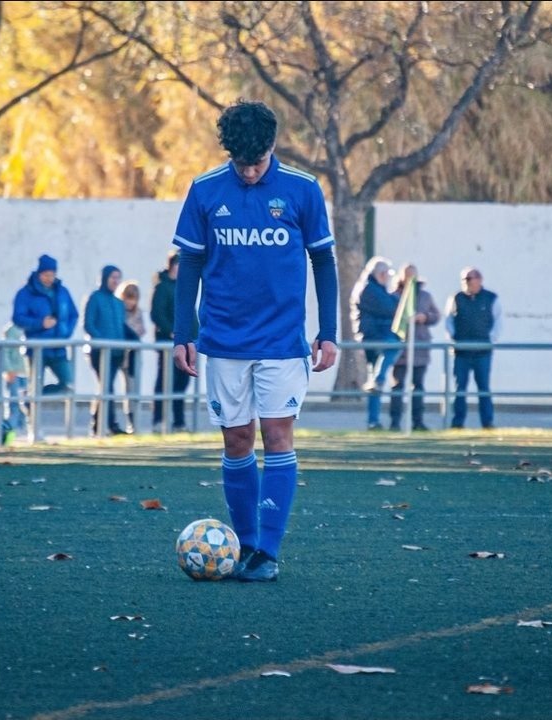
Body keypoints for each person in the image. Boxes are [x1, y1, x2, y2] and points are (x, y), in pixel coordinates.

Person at [172, 100, 338, 582]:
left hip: (283, 342)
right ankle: (242, 544)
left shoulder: (304, 190)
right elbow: (191, 265)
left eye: (257, 163)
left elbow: (323, 262)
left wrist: (328, 331)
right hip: (222, 341)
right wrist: (184, 333)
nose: (248, 173)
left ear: (272, 148)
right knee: (237, 439)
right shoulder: (205, 190)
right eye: (241, 164)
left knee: (278, 436)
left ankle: (267, 551)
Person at [12, 254, 79, 396]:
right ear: (39, 273)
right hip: (36, 349)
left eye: (52, 274)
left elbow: (73, 314)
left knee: (69, 386)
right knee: (35, 387)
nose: (49, 278)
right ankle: (30, 404)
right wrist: (40, 323)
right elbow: (18, 318)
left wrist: (65, 332)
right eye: (46, 274)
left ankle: (31, 397)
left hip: (58, 348)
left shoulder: (62, 292)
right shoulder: (25, 293)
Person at [444, 266, 502, 429]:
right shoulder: (456, 298)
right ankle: (457, 422)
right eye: (465, 279)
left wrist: (489, 339)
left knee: (483, 387)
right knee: (459, 388)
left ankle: (487, 422)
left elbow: (498, 321)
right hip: (461, 352)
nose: (467, 283)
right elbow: (448, 320)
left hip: (482, 352)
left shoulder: (491, 298)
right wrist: (455, 338)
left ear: (479, 280)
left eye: (470, 279)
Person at [349, 256, 402, 430]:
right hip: (374, 336)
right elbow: (390, 308)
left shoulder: (376, 288)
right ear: (380, 273)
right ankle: (379, 379)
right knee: (394, 346)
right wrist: (397, 302)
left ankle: (373, 421)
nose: (389, 277)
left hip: (378, 335)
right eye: (387, 273)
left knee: (375, 385)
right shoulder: (369, 289)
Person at [388, 264, 440, 432]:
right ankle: (395, 422)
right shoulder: (394, 296)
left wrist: (424, 317)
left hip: (420, 347)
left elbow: (436, 315)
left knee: (418, 386)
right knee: (397, 386)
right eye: (406, 275)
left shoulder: (425, 296)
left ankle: (418, 421)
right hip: (400, 348)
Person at [84, 265, 130, 436]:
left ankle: (98, 424)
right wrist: (102, 342)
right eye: (112, 277)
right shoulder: (95, 298)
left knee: (106, 387)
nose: (115, 281)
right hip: (99, 352)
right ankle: (110, 424)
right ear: (104, 278)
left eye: (118, 278)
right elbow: (88, 324)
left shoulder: (118, 303)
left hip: (117, 353)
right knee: (107, 387)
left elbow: (122, 326)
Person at [150, 251, 194, 432]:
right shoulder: (162, 288)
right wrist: (172, 332)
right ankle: (159, 420)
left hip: (186, 343)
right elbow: (158, 314)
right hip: (168, 344)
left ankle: (179, 422)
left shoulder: (185, 287)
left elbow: (191, 315)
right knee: (165, 381)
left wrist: (195, 335)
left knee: (182, 383)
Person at [117, 279, 147, 433]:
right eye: (128, 298)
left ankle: (133, 423)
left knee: (132, 388)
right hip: (120, 353)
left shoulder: (138, 313)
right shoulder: (118, 311)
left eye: (133, 299)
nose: (130, 302)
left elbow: (142, 330)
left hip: (133, 356)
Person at [0, 321, 29, 438]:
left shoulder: (33, 327)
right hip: (15, 372)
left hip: (27, 372)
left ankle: (24, 430)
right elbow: (6, 351)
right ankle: (11, 430)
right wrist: (8, 370)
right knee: (13, 403)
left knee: (26, 402)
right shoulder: (12, 329)